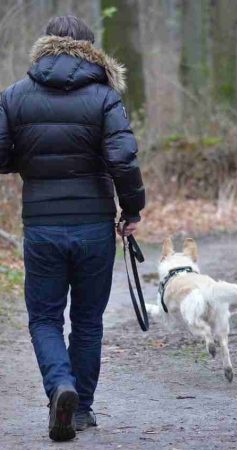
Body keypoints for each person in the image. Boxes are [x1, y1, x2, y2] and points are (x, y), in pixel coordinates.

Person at [0, 15, 145, 441]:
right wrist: (132, 208)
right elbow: (123, 158)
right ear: (91, 48)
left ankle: (59, 385)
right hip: (94, 226)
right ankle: (79, 408)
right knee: (87, 320)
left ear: (44, 44)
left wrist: (31, 160)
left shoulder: (13, 95)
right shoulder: (104, 97)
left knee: (44, 318)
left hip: (42, 225)